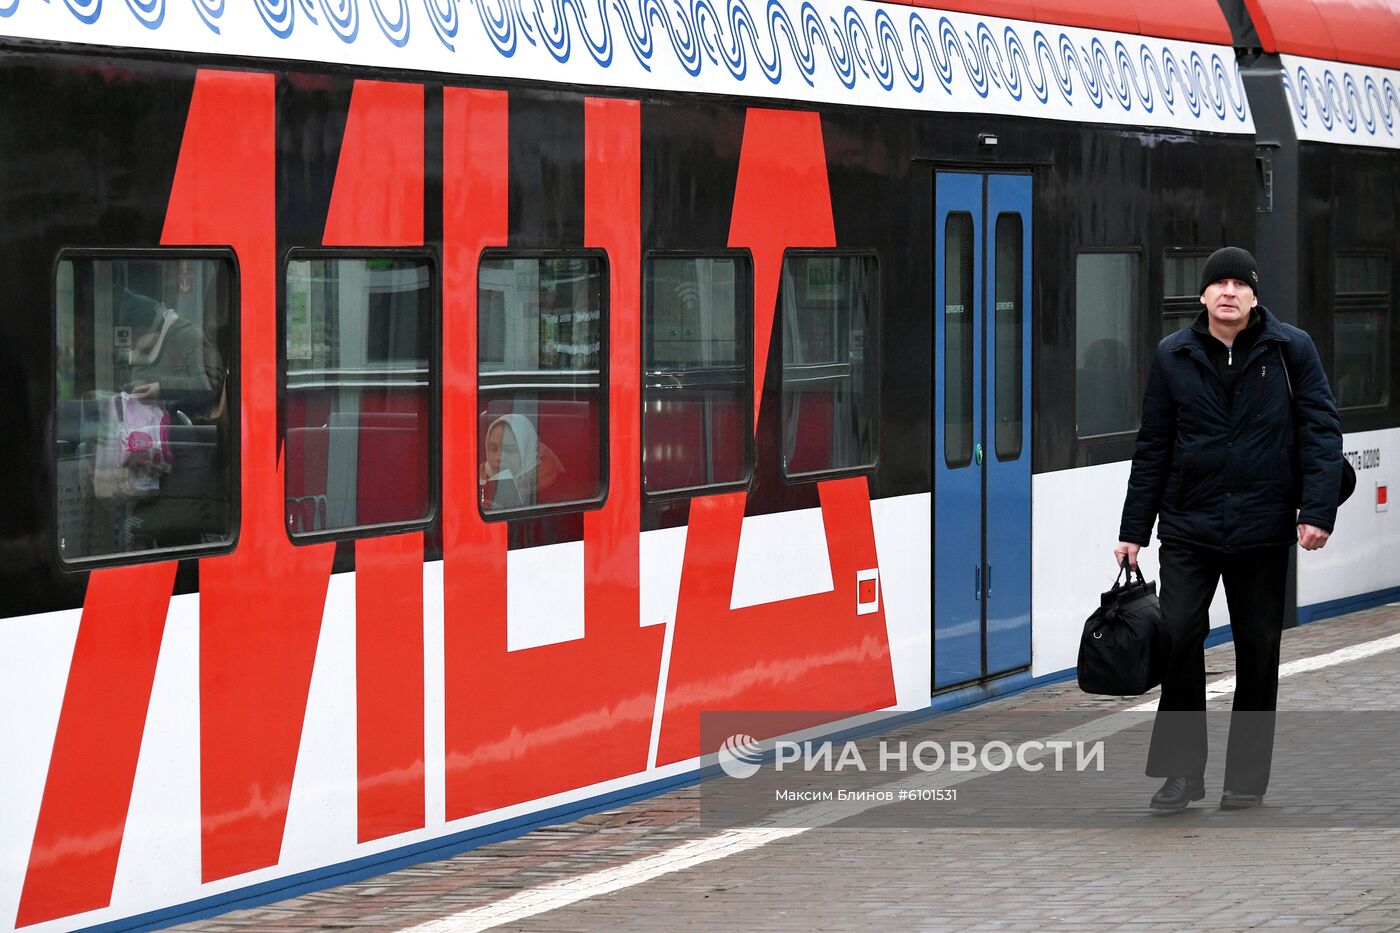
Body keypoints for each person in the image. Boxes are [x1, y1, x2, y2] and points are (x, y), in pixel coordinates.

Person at [1114, 247, 1342, 812]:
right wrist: (1133, 529)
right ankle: (1181, 776)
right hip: (1190, 527)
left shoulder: (1292, 350)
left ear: (1255, 296)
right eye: (1219, 283)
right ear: (1202, 296)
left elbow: (1321, 433)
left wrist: (1316, 512)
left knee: (1258, 651)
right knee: (1179, 636)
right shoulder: (1174, 355)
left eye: (1240, 284)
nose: (1229, 293)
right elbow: (1154, 448)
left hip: (1263, 528)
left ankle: (1245, 780)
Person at [479, 413, 562, 511]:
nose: (498, 457)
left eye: (509, 450)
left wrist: (503, 515)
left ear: (527, 451)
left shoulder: (553, 492)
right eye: (493, 449)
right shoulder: (477, 476)